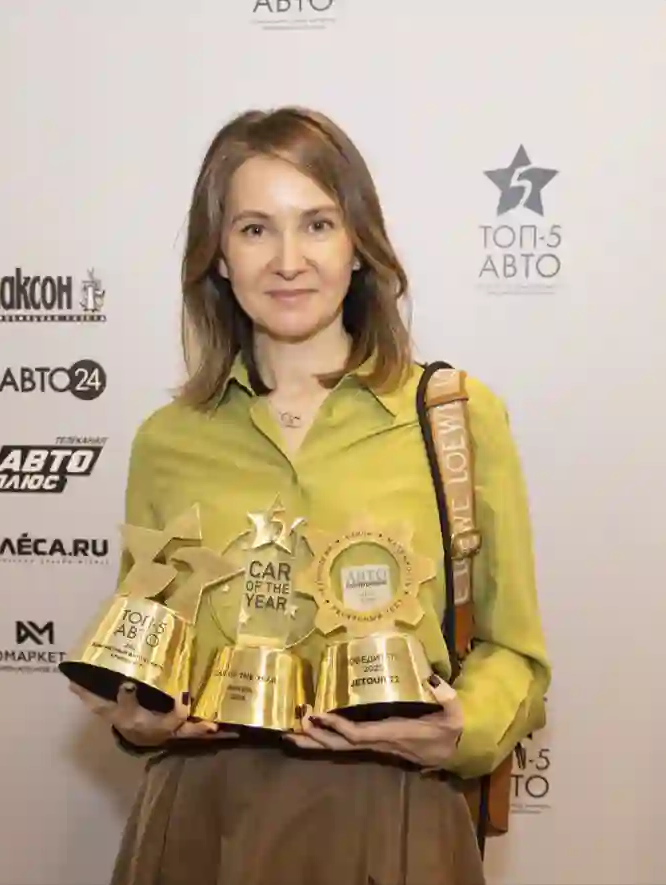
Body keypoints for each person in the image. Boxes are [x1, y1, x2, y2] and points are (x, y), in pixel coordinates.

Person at [68, 106, 550, 885]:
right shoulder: (167, 440)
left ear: (359, 245)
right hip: (200, 824)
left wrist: (463, 727)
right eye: (255, 229)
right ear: (218, 257)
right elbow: (146, 657)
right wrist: (137, 720)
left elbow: (516, 651)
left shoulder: (456, 418)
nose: (288, 260)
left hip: (395, 816)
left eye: (317, 224)